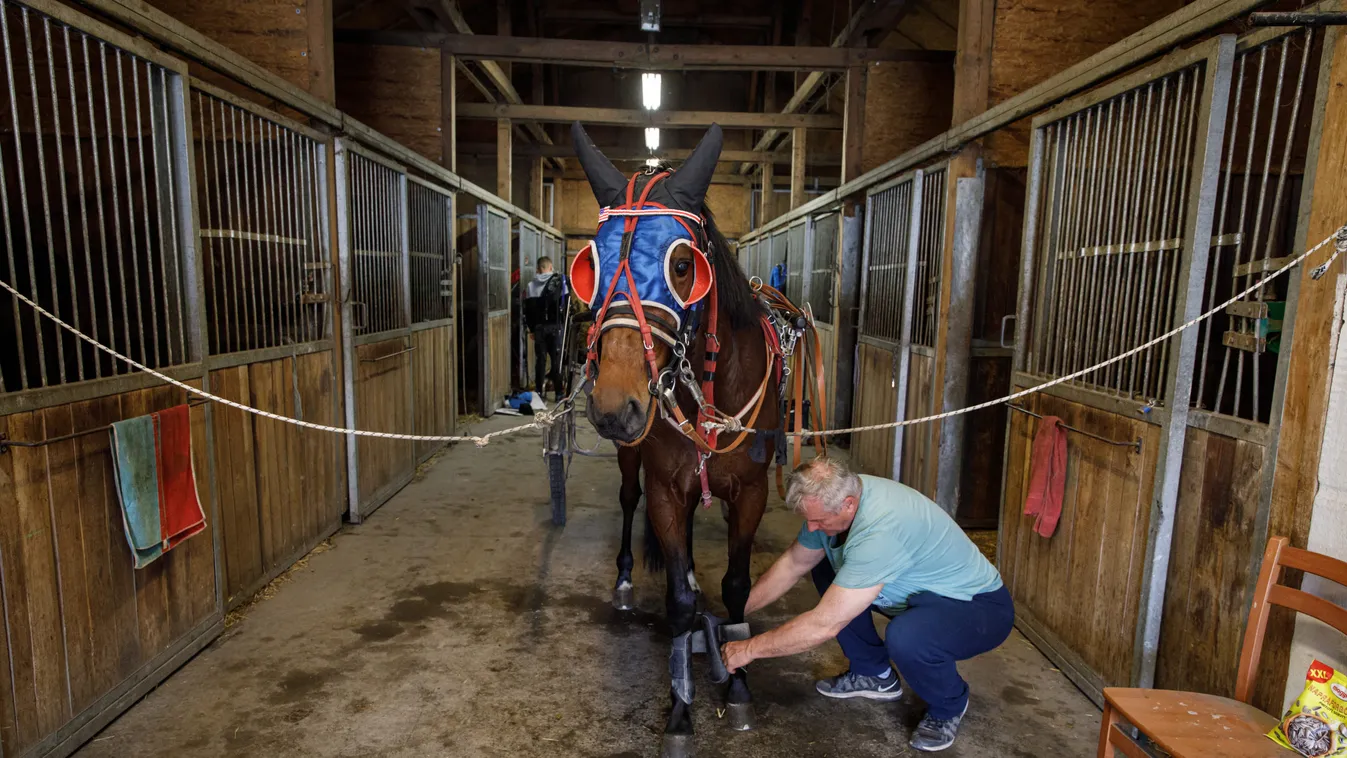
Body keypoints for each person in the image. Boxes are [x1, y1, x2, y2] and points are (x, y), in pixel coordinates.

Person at [720, 457, 1014, 753]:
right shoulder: (833, 498)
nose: (811, 527)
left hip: (977, 608)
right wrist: (736, 612)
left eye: (819, 520)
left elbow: (824, 624)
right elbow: (794, 563)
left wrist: (748, 649)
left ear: (848, 505)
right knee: (826, 563)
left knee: (907, 637)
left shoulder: (881, 530)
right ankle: (874, 674)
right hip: (918, 594)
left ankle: (949, 704)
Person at [524, 256, 565, 400]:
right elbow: (564, 306)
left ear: (537, 269)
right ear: (550, 267)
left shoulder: (530, 286)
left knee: (540, 360)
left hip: (539, 328)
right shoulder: (560, 283)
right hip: (555, 327)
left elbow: (528, 310)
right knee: (556, 360)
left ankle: (539, 393)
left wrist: (532, 329)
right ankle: (559, 393)